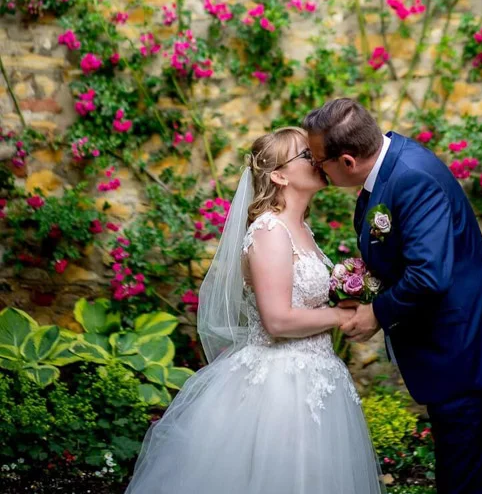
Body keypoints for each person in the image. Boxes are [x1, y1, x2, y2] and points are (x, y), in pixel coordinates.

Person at [124, 126, 384, 494]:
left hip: (317, 377)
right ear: (278, 175)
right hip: (279, 386)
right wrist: (342, 317)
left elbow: (301, 299)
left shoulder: (302, 229)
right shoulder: (269, 230)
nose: (317, 160)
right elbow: (277, 319)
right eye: (305, 155)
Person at [304, 99, 482, 494]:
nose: (314, 168)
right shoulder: (388, 169)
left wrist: (376, 313)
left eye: (318, 160)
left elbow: (428, 276)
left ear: (347, 160)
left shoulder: (412, 178)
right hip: (459, 351)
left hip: (469, 352)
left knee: (468, 482)